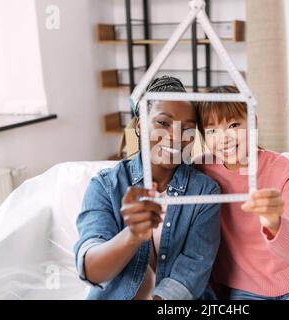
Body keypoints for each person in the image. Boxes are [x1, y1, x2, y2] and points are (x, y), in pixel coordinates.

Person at [74, 76, 221, 300]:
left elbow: (192, 272)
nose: (175, 136)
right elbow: (93, 271)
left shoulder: (205, 192)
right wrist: (132, 235)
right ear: (141, 125)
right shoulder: (105, 186)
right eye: (163, 123)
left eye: (187, 128)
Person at [195, 86, 289, 300]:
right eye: (212, 130)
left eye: (234, 125)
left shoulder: (282, 170)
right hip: (245, 291)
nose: (224, 138)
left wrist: (275, 222)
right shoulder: (200, 171)